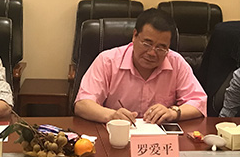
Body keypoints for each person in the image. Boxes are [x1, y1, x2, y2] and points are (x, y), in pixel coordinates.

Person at [74, 8, 207, 124]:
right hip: (117, 135)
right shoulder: (107, 60)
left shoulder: (176, 62)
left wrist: (173, 112)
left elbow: (198, 102)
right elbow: (82, 104)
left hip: (159, 139)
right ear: (134, 36)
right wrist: (112, 115)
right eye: (147, 44)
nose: (152, 53)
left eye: (161, 48)